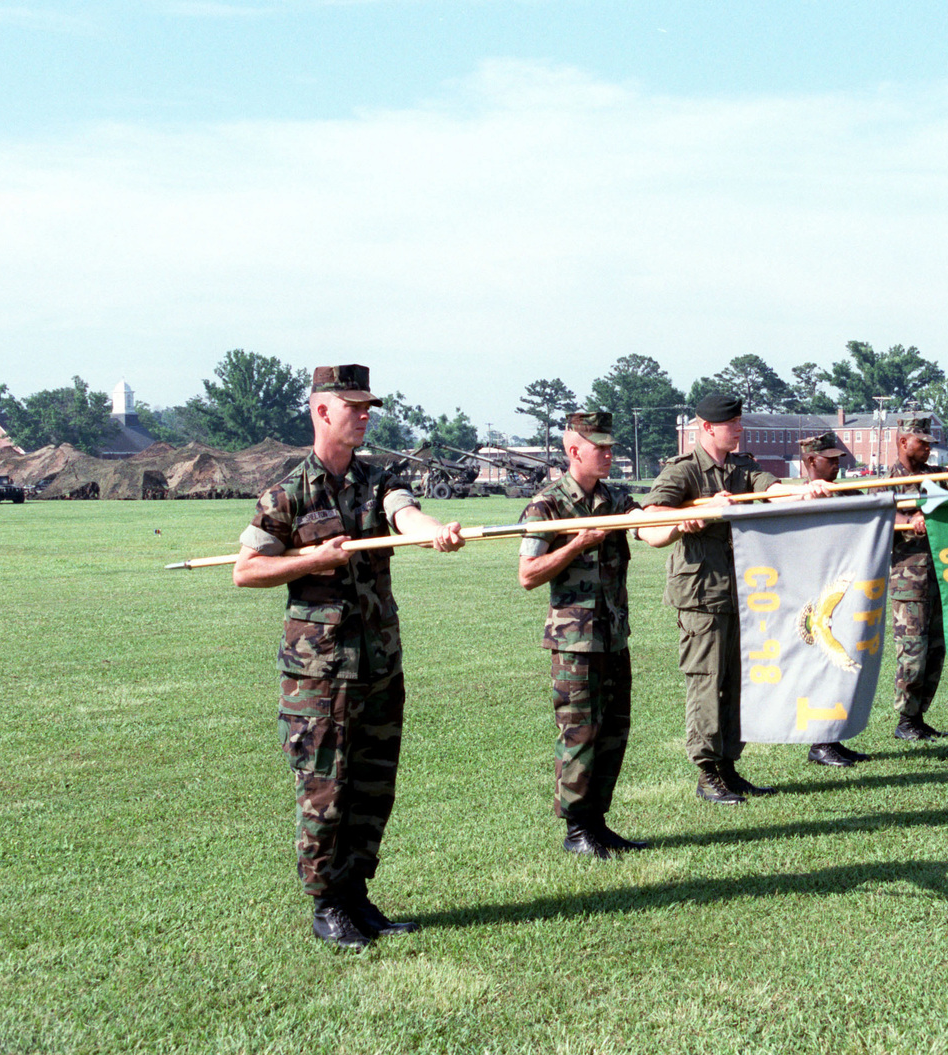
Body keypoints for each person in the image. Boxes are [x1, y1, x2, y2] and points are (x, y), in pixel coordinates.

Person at [233, 364, 465, 950]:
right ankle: (326, 903)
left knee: (372, 785)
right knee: (326, 789)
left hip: (379, 662)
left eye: (369, 407)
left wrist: (433, 531)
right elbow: (247, 570)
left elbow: (406, 516)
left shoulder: (378, 480)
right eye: (354, 407)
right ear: (322, 412)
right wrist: (310, 560)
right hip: (319, 674)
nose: (365, 416)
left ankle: (357, 893)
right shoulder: (287, 494)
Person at [637, 393, 829, 804]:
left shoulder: (742, 467)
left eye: (740, 422)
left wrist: (804, 491)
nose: (740, 430)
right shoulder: (683, 472)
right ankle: (707, 774)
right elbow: (650, 527)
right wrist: (688, 519)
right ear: (707, 428)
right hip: (701, 596)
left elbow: (771, 489)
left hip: (743, 594)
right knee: (707, 684)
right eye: (732, 424)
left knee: (738, 684)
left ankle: (729, 766)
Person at [517, 412, 646, 858]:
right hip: (574, 644)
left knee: (614, 731)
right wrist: (575, 545)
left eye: (611, 447)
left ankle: (597, 822)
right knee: (579, 734)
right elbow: (528, 574)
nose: (610, 455)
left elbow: (650, 525)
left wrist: (686, 518)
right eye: (601, 448)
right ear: (575, 450)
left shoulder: (615, 497)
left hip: (613, 635)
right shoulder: (546, 506)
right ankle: (576, 829)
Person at [797, 431, 874, 768]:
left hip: (841, 597)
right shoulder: (793, 498)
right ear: (811, 461)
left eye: (838, 460)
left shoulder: (846, 491)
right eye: (830, 460)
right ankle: (819, 742)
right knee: (819, 667)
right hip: (811, 599)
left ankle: (832, 738)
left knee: (841, 667)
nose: (836, 467)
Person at [885, 417, 948, 741]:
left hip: (940, 574)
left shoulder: (933, 477)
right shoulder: (889, 480)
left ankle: (919, 716)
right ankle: (906, 719)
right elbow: (881, 512)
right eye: (921, 442)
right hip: (908, 580)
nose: (927, 448)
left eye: (930, 443)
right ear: (903, 442)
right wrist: (909, 519)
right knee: (912, 653)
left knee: (936, 649)